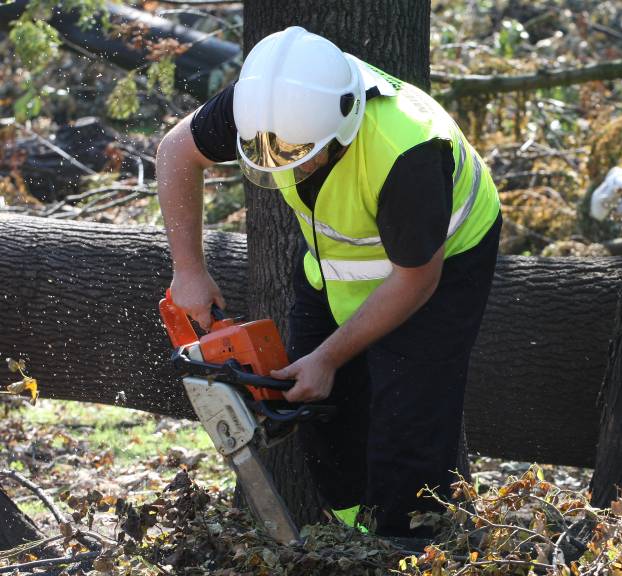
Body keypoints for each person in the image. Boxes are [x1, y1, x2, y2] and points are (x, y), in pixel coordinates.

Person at [156, 26, 502, 537]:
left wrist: (329, 357)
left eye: (296, 152)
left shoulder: (409, 151)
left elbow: (414, 282)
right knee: (318, 411)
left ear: (342, 124)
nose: (283, 164)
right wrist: (188, 269)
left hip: (438, 266)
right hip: (338, 259)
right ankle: (349, 540)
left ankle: (404, 566)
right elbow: (175, 152)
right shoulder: (268, 101)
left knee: (410, 425)